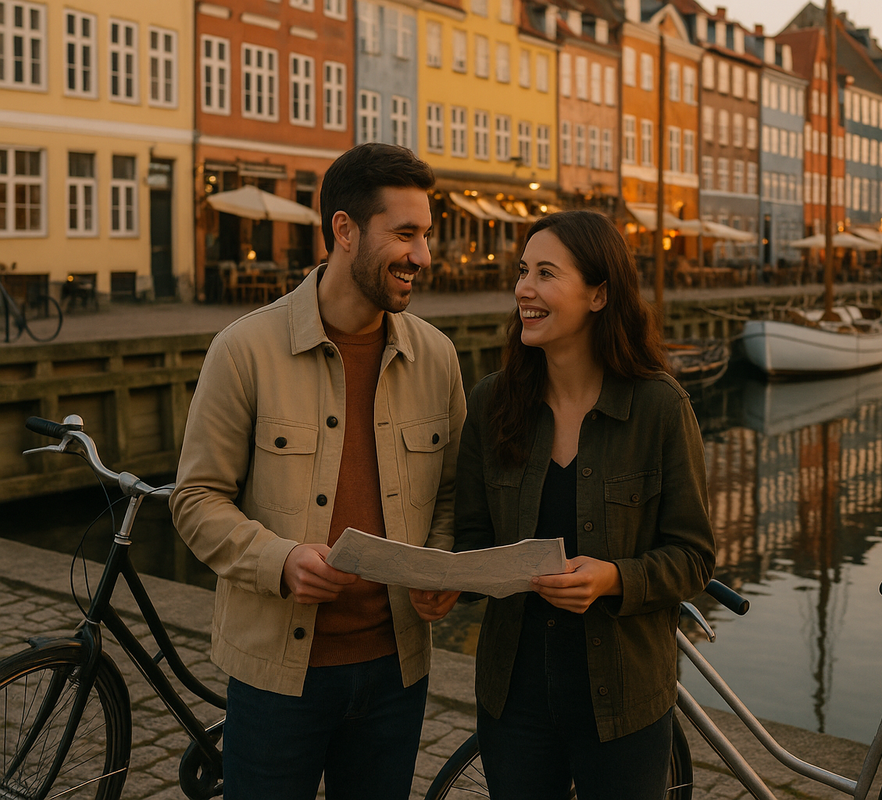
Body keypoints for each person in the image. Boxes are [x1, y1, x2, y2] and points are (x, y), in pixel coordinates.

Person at [170, 142, 465, 800]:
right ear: (344, 230)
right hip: (279, 676)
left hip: (396, 674)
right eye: (406, 233)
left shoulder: (438, 359)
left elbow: (449, 498)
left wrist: (440, 568)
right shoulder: (244, 350)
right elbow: (196, 500)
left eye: (427, 235)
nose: (422, 254)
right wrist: (278, 560)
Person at [452, 210, 717, 799]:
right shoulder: (493, 403)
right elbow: (470, 540)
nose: (525, 288)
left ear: (599, 294)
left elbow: (694, 558)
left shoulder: (659, 407)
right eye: (523, 271)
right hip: (513, 697)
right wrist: (447, 580)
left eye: (546, 273)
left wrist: (614, 578)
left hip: (622, 702)